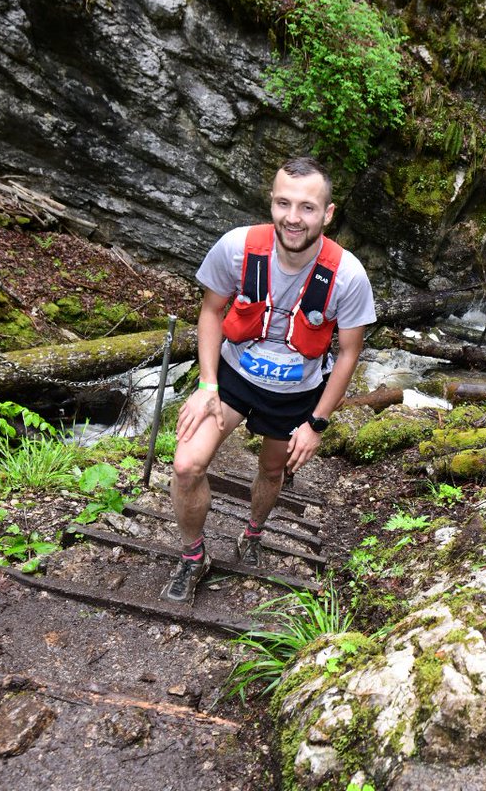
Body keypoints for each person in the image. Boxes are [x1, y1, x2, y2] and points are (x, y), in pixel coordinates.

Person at [161, 157, 376, 604]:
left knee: (272, 469)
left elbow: (349, 352)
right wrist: (206, 385)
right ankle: (194, 555)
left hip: (297, 392)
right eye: (283, 203)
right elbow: (210, 311)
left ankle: (253, 531)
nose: (293, 217)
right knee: (185, 465)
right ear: (272, 202)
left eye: (307, 207)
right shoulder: (238, 248)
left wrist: (316, 423)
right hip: (234, 376)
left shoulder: (348, 275)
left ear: (328, 213)